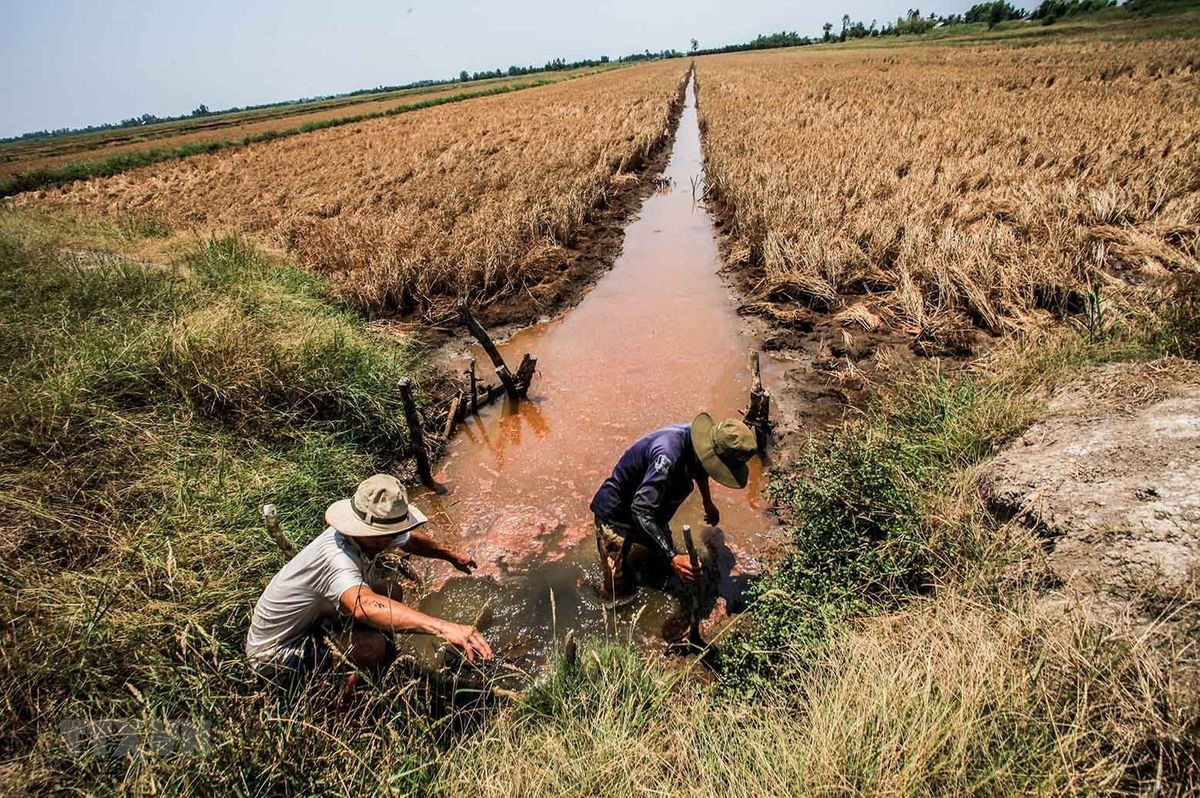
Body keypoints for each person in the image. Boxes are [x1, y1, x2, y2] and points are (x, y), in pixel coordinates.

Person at [246, 474, 493, 675]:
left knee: (391, 592)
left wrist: (451, 556)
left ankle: (375, 665)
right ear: (363, 529)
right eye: (386, 535)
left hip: (314, 622)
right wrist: (443, 627)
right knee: (372, 647)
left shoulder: (370, 534)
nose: (392, 540)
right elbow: (363, 605)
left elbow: (409, 541)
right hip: (276, 653)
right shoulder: (337, 557)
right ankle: (348, 705)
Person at [590, 412, 758, 599]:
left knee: (662, 568)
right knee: (616, 589)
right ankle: (607, 599)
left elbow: (700, 470)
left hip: (653, 511)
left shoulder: (699, 446)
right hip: (617, 515)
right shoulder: (668, 456)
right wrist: (673, 556)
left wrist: (707, 502)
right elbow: (641, 511)